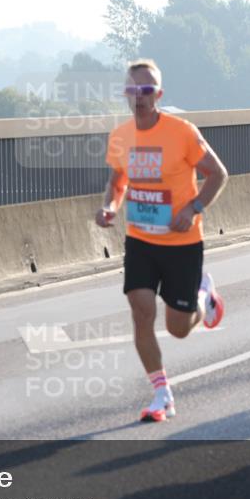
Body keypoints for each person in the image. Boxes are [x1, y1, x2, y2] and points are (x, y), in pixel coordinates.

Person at [95, 59, 229, 422]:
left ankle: (204, 297)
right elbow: (118, 180)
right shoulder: (120, 136)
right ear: (126, 94)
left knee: (178, 329)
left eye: (147, 90)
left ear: (159, 95)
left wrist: (194, 208)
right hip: (140, 240)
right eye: (133, 90)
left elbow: (218, 174)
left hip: (182, 243)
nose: (139, 97)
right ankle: (161, 393)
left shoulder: (182, 132)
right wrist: (110, 206)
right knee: (141, 312)